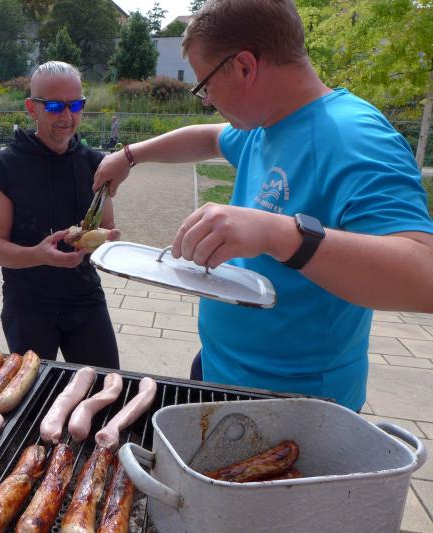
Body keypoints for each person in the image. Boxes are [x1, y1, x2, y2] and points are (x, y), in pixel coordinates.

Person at [92, 0, 433, 411]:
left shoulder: (353, 136)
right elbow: (208, 137)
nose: (206, 100)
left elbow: (424, 276)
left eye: (206, 86)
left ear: (244, 67)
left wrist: (279, 234)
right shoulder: (265, 125)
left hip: (297, 405)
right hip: (220, 370)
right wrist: (129, 156)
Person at [0, 61, 121, 369]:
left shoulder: (96, 164)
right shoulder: (3, 167)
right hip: (28, 303)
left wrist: (106, 241)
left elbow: (108, 227)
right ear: (32, 108)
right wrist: (40, 255)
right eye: (55, 106)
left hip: (85, 298)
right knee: (32, 392)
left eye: (76, 105)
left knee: (104, 385)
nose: (67, 116)